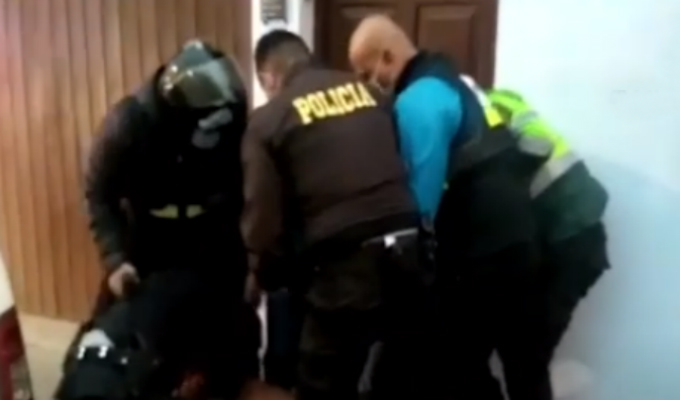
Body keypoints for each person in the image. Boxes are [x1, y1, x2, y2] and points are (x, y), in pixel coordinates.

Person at [348, 15, 553, 400]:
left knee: (454, 369)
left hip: (482, 254)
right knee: (525, 369)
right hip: (521, 237)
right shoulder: (454, 81)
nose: (366, 86)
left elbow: (419, 207)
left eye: (365, 73)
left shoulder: (417, 101)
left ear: (387, 57)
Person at [56, 40, 260, 400]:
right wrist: (115, 260)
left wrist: (252, 263)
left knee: (234, 334)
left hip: (214, 233)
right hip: (148, 239)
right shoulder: (128, 124)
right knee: (116, 329)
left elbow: (248, 192)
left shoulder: (233, 121)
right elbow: (99, 194)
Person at [242, 29, 435, 400]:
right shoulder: (372, 95)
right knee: (398, 378)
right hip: (410, 252)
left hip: (344, 266)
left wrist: (260, 274)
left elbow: (262, 222)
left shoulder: (268, 121)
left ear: (269, 77)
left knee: (322, 383)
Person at [487, 88, 610, 359]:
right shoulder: (500, 100)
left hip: (569, 238)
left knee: (526, 354)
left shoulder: (487, 113)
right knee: (520, 349)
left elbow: (537, 145)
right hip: (574, 233)